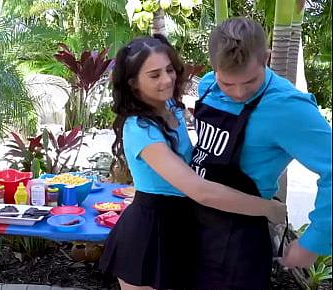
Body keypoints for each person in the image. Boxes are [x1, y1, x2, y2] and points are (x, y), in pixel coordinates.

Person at [99, 34, 287, 290]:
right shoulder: (140, 128)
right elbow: (199, 190)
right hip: (149, 233)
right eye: (154, 75)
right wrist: (266, 208)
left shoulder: (171, 107)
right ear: (133, 83)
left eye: (169, 70)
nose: (167, 80)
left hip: (183, 224)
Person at [191, 17, 331, 289]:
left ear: (266, 58)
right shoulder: (207, 85)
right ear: (213, 68)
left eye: (250, 81)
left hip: (240, 239)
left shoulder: (289, 107)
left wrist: (313, 241)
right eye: (227, 84)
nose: (239, 93)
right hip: (195, 226)